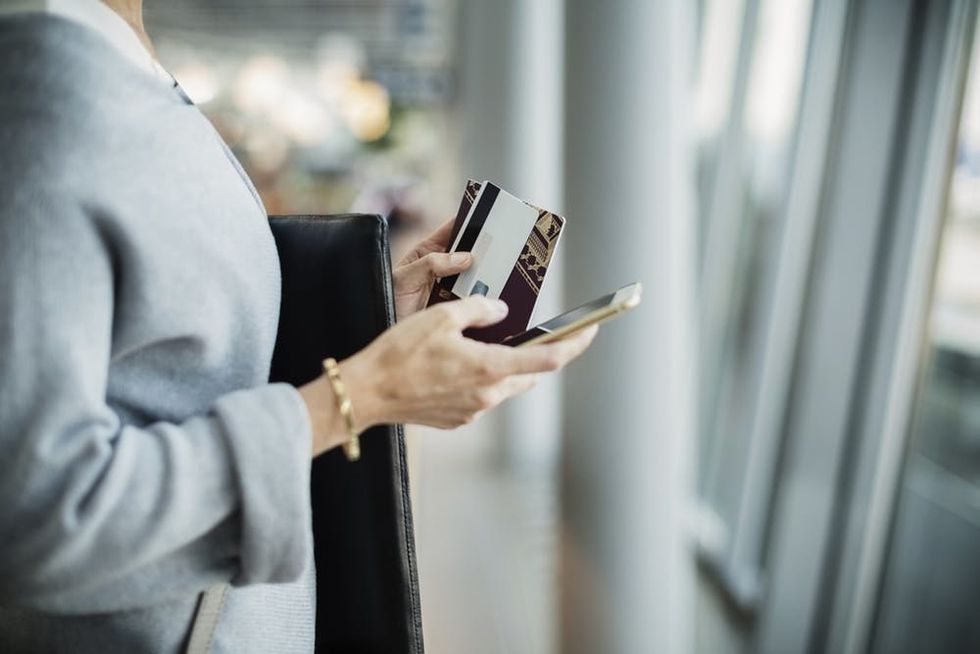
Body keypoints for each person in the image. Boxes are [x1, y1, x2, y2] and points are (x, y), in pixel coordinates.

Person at [0, 1, 596, 651]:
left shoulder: (117, 64)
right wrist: (359, 396)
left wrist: (370, 318)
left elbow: (172, 353)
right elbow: (40, 518)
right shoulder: (47, 96)